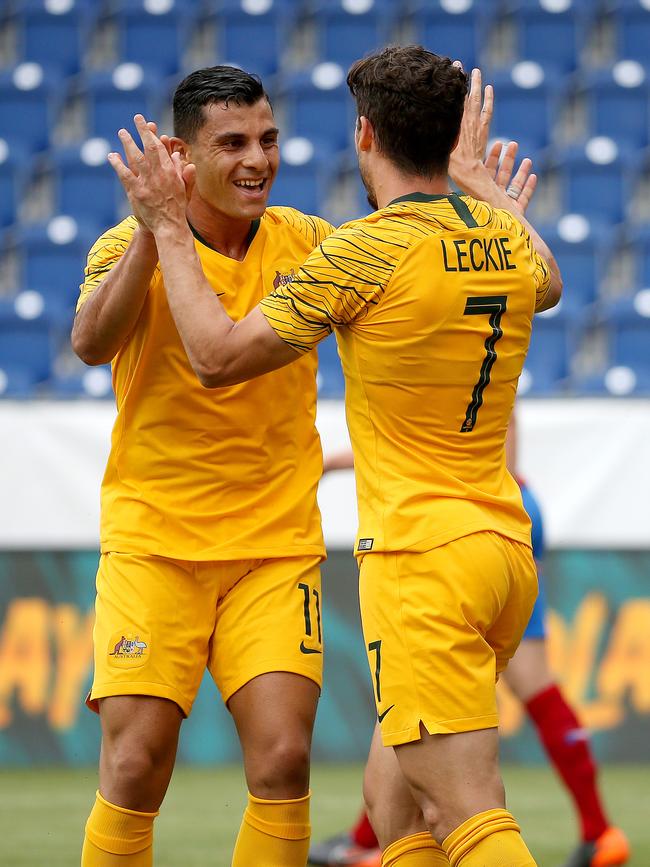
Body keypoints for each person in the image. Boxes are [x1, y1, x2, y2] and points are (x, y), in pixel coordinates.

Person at [108, 45, 563, 866]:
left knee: (463, 806)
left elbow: (214, 355)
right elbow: (551, 278)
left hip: (424, 560)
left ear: (364, 135)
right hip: (503, 547)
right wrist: (486, 188)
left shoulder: (361, 251)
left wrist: (168, 226)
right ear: (449, 140)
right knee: (394, 809)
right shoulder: (502, 237)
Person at [72, 66, 340, 867]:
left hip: (275, 544)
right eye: (232, 143)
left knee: (285, 757)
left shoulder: (315, 243)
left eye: (268, 139)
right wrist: (158, 233)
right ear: (182, 157)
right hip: (155, 543)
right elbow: (89, 344)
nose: (257, 158)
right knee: (133, 765)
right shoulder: (126, 243)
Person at [308, 417, 630, 867]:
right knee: (528, 683)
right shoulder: (490, 349)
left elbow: (410, 439)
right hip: (504, 501)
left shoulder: (414, 357)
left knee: (418, 684)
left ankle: (369, 840)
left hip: (455, 514)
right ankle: (599, 830)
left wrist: (325, 462)